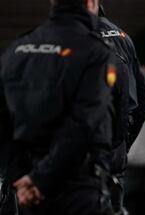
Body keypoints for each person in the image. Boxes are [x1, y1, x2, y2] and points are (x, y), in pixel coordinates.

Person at [0, 0, 115, 214]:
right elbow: (84, 123)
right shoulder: (95, 51)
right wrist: (41, 179)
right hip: (76, 187)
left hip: (28, 189)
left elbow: (4, 122)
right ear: (91, 3)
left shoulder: (17, 49)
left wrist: (21, 179)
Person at [86, 3, 145, 214]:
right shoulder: (123, 37)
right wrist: (123, 140)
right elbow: (144, 99)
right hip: (116, 145)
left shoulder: (77, 35)